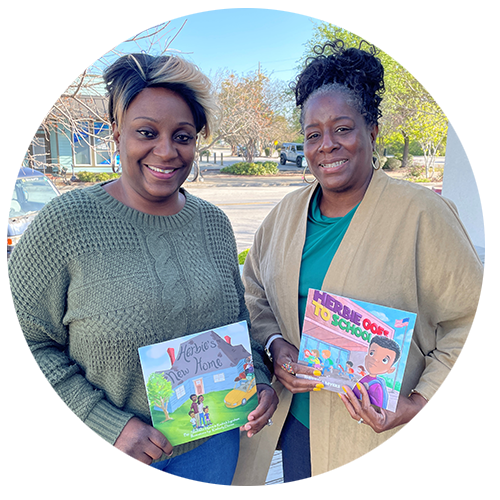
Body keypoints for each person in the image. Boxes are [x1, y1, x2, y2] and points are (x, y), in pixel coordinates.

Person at [7, 52, 278, 487]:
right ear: (116, 133)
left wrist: (259, 380)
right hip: (100, 462)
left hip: (209, 450)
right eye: (147, 133)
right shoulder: (63, 225)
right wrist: (105, 428)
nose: (166, 151)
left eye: (183, 136)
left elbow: (237, 324)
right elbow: (24, 348)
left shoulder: (213, 224)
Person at [233, 40, 484, 486]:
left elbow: (476, 322)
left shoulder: (423, 216)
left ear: (372, 130)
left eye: (342, 129)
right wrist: (275, 345)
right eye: (313, 134)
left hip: (377, 439)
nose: (326, 146)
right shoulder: (285, 216)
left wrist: (422, 401)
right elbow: (254, 292)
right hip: (298, 430)